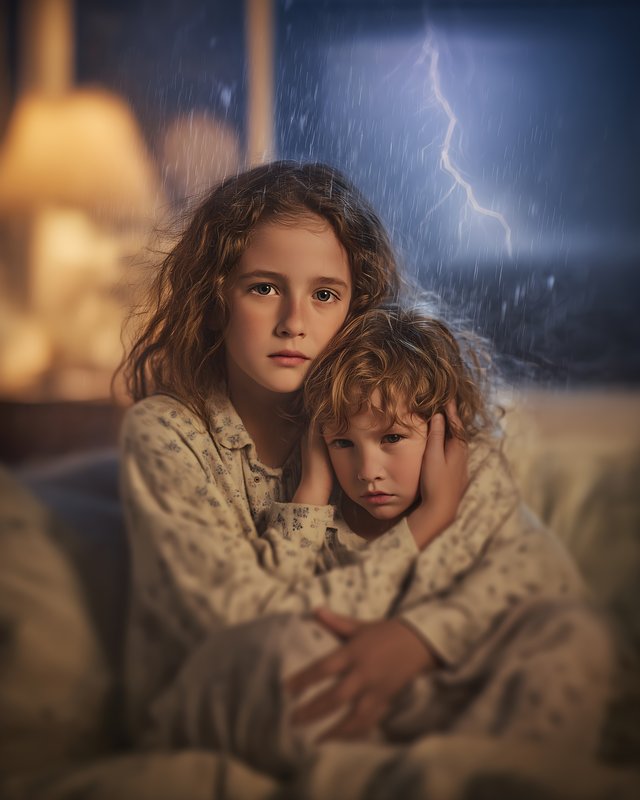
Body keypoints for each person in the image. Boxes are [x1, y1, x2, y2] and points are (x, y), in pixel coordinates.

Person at [137, 305, 615, 779]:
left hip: (451, 689)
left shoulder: (477, 481)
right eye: (343, 444)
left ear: (444, 433)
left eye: (391, 438)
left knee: (573, 632)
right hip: (351, 699)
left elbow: (540, 574)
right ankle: (394, 777)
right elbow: (270, 620)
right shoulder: (315, 512)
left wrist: (423, 636)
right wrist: (313, 497)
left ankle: (474, 776)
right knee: (286, 649)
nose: (367, 472)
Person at [119, 162, 470, 743]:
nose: (294, 323)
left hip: (365, 680)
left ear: (356, 311)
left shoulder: (389, 419)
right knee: (294, 650)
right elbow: (248, 625)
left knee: (561, 632)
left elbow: (493, 572)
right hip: (213, 701)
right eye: (264, 288)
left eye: (325, 295)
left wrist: (422, 637)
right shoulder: (164, 434)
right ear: (214, 300)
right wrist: (324, 500)